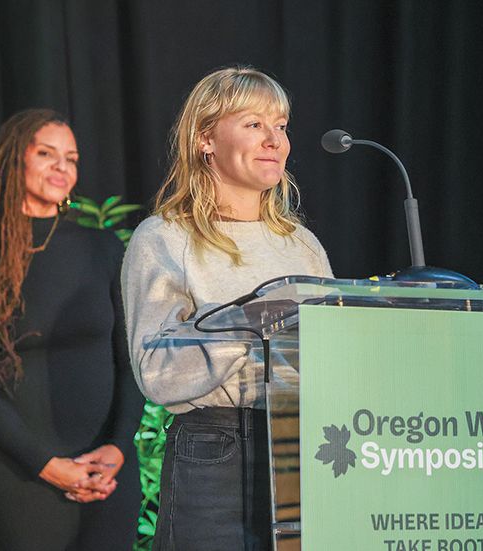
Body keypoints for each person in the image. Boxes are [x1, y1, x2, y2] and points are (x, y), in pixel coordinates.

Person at [122, 67, 333, 550]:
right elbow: (157, 373)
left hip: (304, 447)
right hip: (214, 452)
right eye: (254, 124)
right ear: (205, 139)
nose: (274, 140)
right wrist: (248, 323)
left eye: (280, 126)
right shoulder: (164, 239)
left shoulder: (301, 246)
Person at [0, 108, 143, 551]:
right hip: (21, 471)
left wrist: (118, 448)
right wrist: (48, 465)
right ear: (14, 160)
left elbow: (130, 361)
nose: (61, 167)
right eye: (46, 154)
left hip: (106, 468)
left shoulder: (103, 248)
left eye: (71, 158)